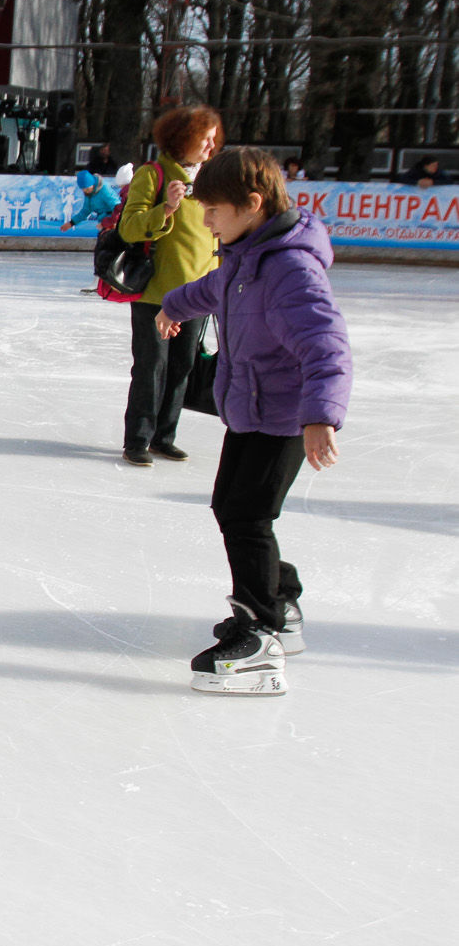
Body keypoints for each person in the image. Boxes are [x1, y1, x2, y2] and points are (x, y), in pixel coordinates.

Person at [155, 148, 351, 695]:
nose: (206, 221)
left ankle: (261, 634)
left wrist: (320, 417)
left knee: (248, 516)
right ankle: (279, 600)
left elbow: (326, 346)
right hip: (248, 411)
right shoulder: (244, 258)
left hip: (287, 417)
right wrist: (173, 305)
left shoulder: (290, 269)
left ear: (253, 204)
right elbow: (210, 289)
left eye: (213, 210)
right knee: (233, 508)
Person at [117, 105, 223, 466]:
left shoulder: (212, 179)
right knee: (151, 368)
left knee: (182, 367)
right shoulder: (154, 175)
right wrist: (166, 209)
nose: (210, 146)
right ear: (183, 139)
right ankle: (138, 439)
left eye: (213, 139)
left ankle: (164, 437)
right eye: (204, 139)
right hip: (156, 294)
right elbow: (129, 228)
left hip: (199, 294)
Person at [62, 167, 120, 231]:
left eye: (87, 189)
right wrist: (71, 223)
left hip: (112, 221)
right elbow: (85, 211)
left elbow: (117, 207)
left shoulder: (104, 190)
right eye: (83, 189)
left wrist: (112, 222)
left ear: (92, 184)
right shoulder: (89, 194)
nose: (86, 191)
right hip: (103, 221)